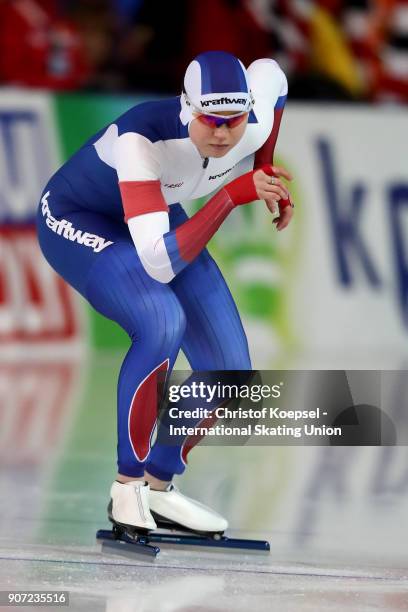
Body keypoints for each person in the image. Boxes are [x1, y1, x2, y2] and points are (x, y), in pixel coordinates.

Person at [36, 50, 293, 536]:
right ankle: (125, 487)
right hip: (80, 217)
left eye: (233, 121)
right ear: (187, 107)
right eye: (210, 120)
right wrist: (237, 190)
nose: (222, 133)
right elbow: (159, 261)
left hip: (156, 209)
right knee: (162, 321)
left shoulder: (252, 120)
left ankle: (158, 486)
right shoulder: (143, 140)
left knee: (231, 374)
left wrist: (265, 166)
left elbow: (274, 76)